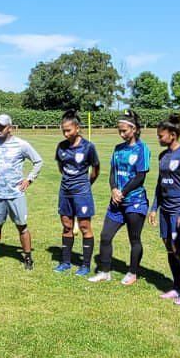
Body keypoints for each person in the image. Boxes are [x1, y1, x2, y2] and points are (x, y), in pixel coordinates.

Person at [90, 111, 151, 286]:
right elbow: (112, 173)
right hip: (116, 201)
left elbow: (140, 176)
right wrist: (113, 189)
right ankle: (105, 272)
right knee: (105, 236)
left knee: (134, 239)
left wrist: (122, 192)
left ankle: (132, 272)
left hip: (134, 201)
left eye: (124, 130)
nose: (122, 134)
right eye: (119, 131)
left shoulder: (142, 149)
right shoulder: (118, 149)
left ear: (134, 129)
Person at [0, 114, 44, 268]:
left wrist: (29, 179)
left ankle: (27, 257)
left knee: (22, 226)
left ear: (11, 128)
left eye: (2, 126)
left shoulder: (22, 145)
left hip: (15, 194)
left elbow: (38, 161)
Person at [150, 114, 180, 306]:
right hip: (165, 210)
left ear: (173, 134)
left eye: (161, 136)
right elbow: (160, 183)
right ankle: (178, 287)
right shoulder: (163, 156)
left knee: (179, 250)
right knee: (169, 248)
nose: (159, 139)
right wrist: (154, 207)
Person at [54, 111, 100, 275]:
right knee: (67, 226)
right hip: (65, 192)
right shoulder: (61, 147)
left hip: (82, 192)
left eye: (68, 130)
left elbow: (95, 169)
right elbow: (61, 168)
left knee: (84, 226)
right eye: (63, 130)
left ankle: (85, 265)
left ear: (77, 128)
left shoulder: (88, 147)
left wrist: (86, 185)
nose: (66, 134)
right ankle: (65, 262)